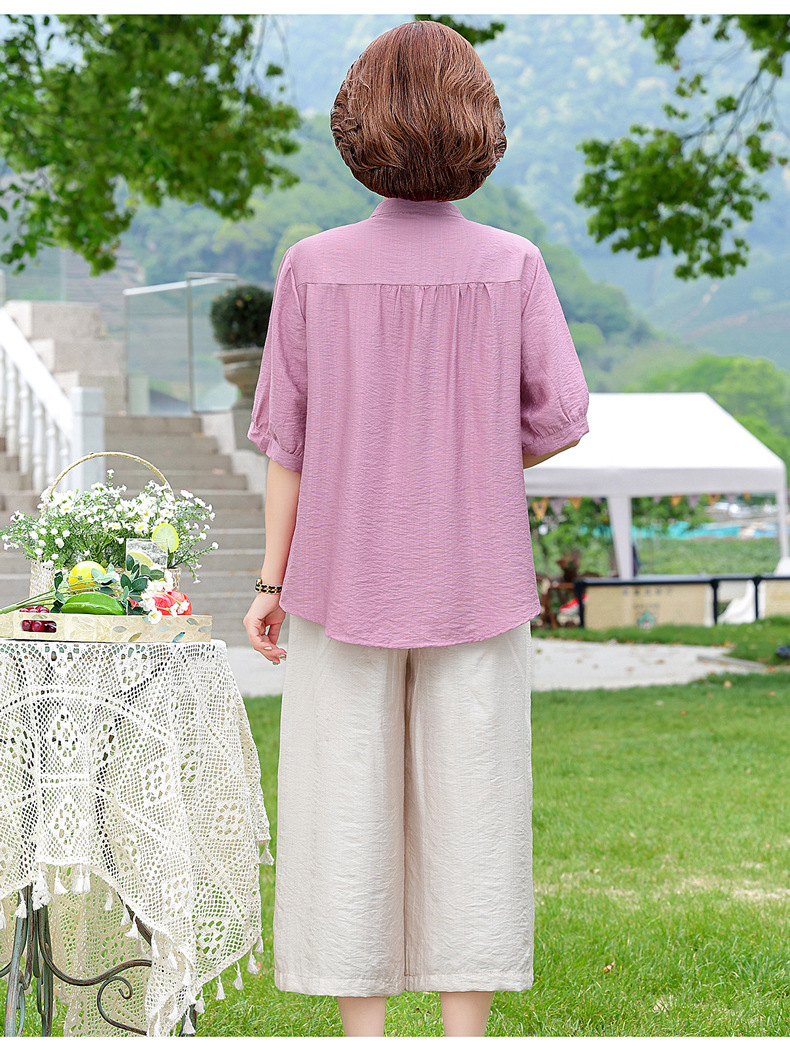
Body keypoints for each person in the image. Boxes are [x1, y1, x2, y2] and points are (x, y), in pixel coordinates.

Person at [243, 19, 590, 1038]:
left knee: (342, 809)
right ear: (478, 124)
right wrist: (466, 460)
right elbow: (559, 418)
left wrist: (269, 584)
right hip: (479, 580)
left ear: (358, 125)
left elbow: (288, 442)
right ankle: (462, 1039)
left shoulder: (311, 267)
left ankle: (365, 1041)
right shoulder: (515, 264)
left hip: (337, 582)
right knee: (476, 813)